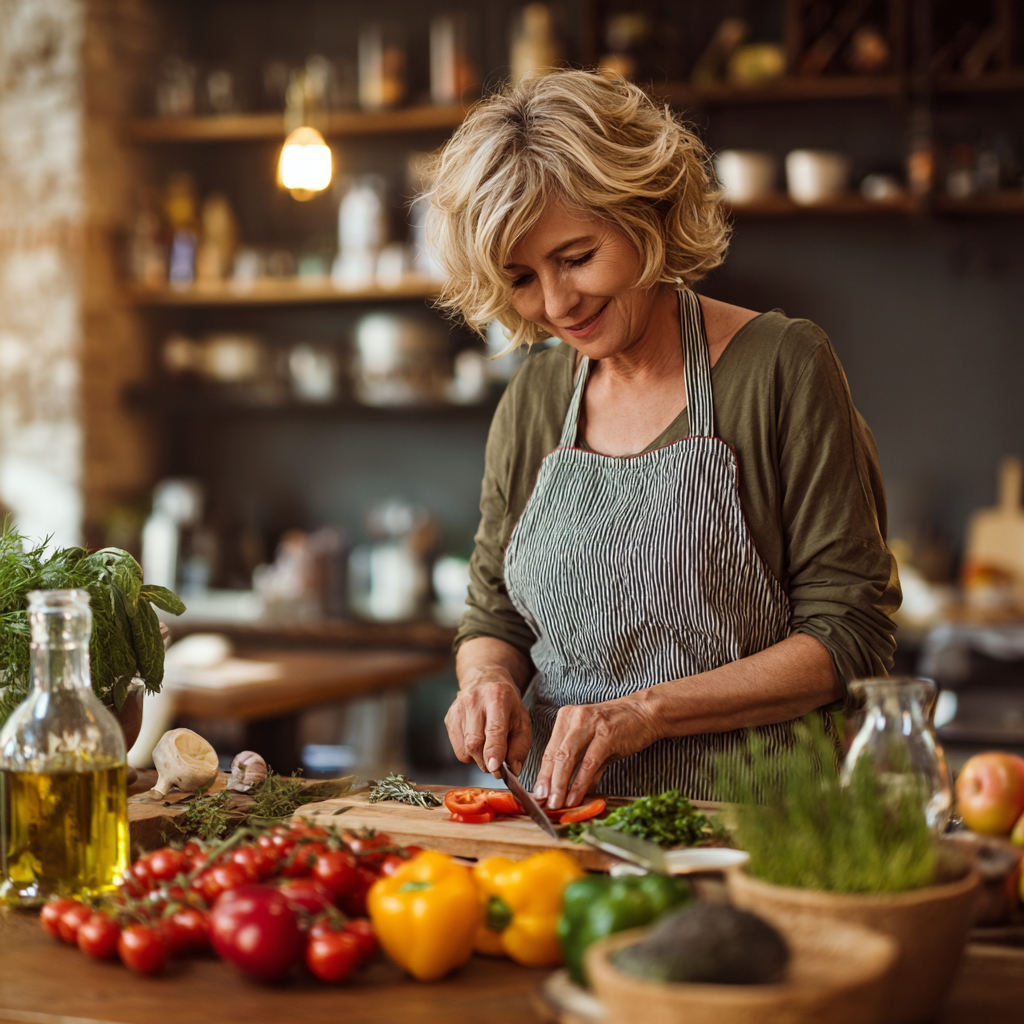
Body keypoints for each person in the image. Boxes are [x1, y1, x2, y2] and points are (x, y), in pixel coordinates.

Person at [424, 70, 900, 811]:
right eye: (521, 277)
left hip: (754, 829)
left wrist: (643, 714)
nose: (555, 304)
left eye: (577, 258)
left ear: (644, 214)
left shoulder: (782, 366)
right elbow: (495, 616)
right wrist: (486, 682)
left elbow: (850, 633)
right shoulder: (536, 398)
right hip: (565, 830)